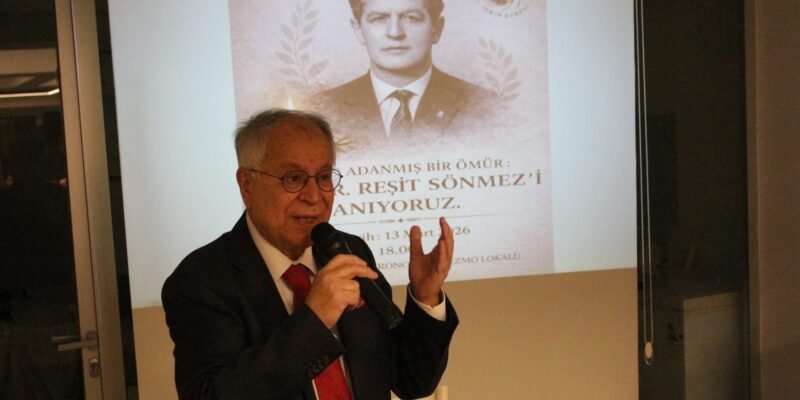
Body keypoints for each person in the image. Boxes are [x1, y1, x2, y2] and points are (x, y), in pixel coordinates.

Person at [162, 109, 458, 400]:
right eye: (294, 178)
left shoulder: (348, 251)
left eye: (324, 177)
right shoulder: (202, 280)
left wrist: (425, 297)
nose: (314, 196)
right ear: (247, 185)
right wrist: (314, 320)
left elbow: (411, 381)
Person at [311, 0, 496, 148]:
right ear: (358, 30)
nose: (395, 33)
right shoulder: (321, 111)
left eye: (411, 18)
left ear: (437, 29)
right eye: (379, 18)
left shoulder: (486, 107)